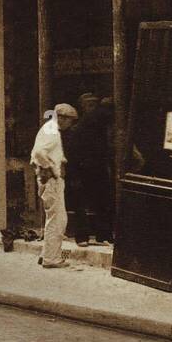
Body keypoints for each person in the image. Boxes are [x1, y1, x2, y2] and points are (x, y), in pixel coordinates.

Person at [30, 103, 77, 269]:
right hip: (51, 180)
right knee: (57, 219)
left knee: (54, 218)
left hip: (48, 179)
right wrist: (50, 168)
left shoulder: (49, 129)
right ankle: (52, 258)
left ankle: (46, 254)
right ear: (62, 118)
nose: (70, 124)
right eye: (70, 120)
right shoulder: (51, 130)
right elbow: (38, 153)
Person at [65, 97, 114, 244]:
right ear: (83, 107)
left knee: (101, 202)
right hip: (81, 169)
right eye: (89, 104)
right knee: (81, 205)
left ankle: (102, 235)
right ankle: (83, 236)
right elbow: (71, 154)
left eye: (94, 104)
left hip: (97, 169)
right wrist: (74, 175)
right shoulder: (77, 130)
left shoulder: (99, 128)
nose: (92, 107)